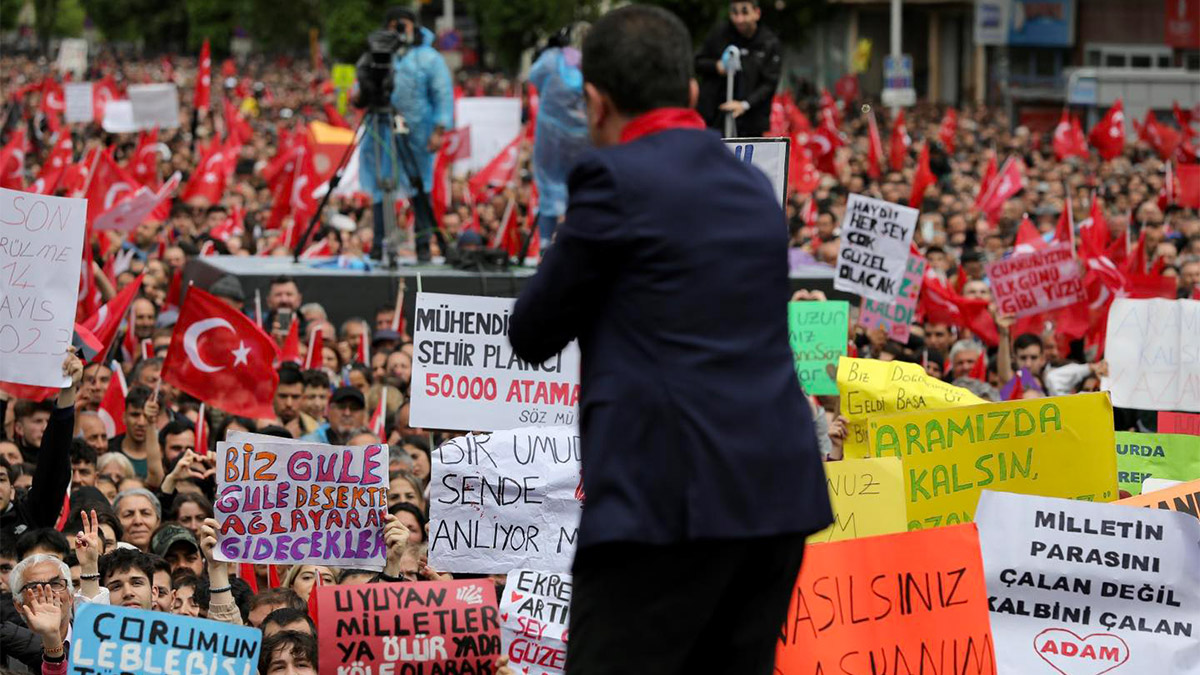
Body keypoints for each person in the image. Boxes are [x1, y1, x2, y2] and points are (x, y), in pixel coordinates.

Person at [508, 8, 831, 671]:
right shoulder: (751, 186)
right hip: (776, 500)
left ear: (595, 103)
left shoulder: (613, 181)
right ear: (690, 91)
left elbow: (533, 332)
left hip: (667, 506)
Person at [355, 6, 454, 263]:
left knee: (420, 186)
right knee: (382, 186)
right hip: (381, 131)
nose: (399, 30)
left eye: (404, 24)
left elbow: (443, 94)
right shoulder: (377, 56)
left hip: (418, 134)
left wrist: (439, 130)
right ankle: (380, 243)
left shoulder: (429, 58)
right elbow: (359, 94)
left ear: (414, 27)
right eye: (394, 25)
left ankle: (423, 244)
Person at [1, 352, 81, 543]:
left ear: (12, 490)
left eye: (1, 479)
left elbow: (53, 461)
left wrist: (68, 387)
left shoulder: (31, 517)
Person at [528, 24, 592, 245]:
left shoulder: (553, 58)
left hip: (551, 133)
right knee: (582, 184)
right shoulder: (593, 61)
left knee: (549, 185)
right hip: (584, 133)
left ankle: (548, 242)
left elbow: (534, 77)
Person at [694, 0, 781, 137]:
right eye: (735, 13)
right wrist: (716, 66)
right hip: (715, 116)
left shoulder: (768, 42)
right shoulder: (720, 34)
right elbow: (697, 61)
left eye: (745, 13)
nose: (739, 19)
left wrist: (745, 104)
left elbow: (769, 82)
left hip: (750, 120)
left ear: (757, 13)